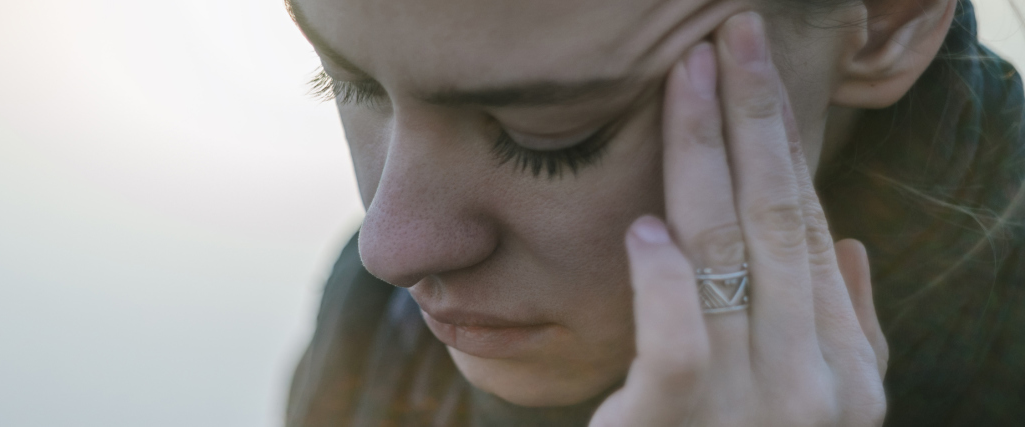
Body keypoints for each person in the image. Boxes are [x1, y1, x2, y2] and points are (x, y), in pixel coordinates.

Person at [283, 0, 1025, 425]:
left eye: (551, 136)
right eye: (347, 83)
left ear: (888, 20)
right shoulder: (373, 332)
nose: (388, 248)